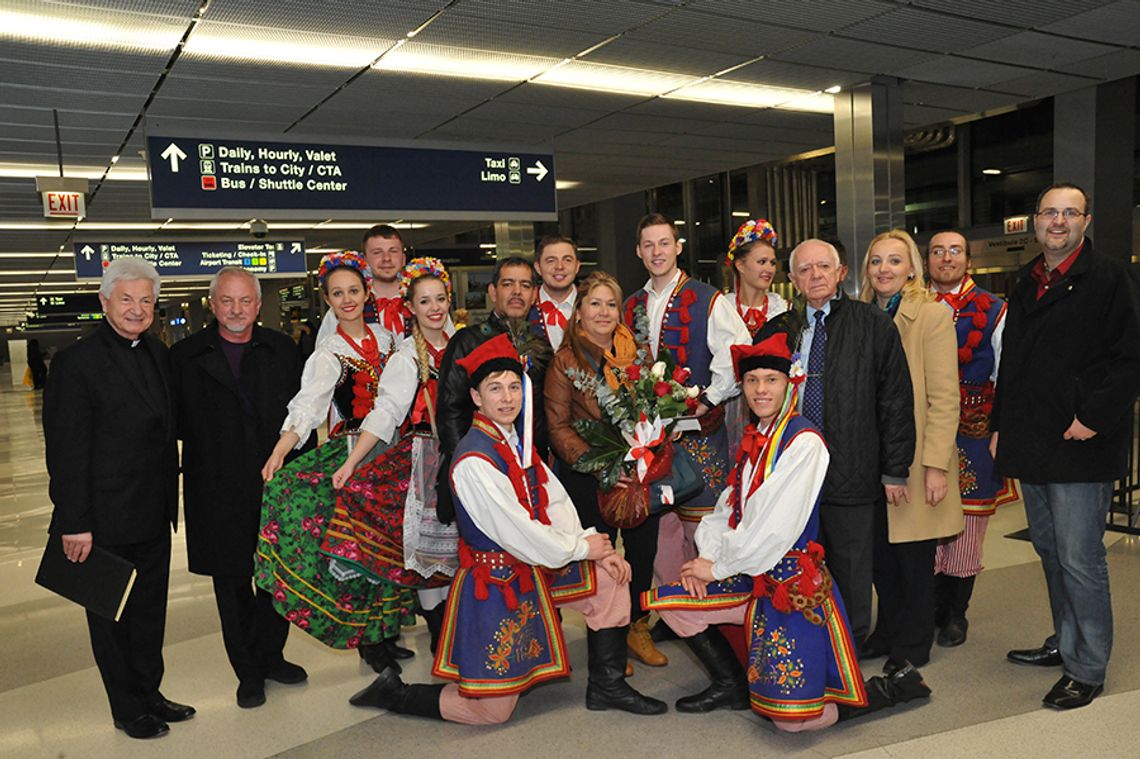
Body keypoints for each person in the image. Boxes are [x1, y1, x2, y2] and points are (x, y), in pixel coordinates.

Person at [348, 334, 667, 722]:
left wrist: (590, 542)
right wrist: (584, 549)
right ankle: (395, 693)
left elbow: (552, 497)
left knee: (610, 576)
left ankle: (607, 686)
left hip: (535, 564)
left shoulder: (514, 440)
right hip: (499, 580)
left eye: (514, 386)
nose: (507, 397)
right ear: (477, 397)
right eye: (495, 388)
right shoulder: (473, 460)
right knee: (492, 713)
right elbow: (519, 532)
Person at [643, 332, 869, 731]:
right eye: (752, 381)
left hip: (786, 582)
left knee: (791, 726)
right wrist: (707, 557)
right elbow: (728, 507)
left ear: (790, 383)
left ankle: (882, 694)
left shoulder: (804, 443)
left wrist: (715, 568)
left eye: (771, 379)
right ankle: (732, 684)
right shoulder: (757, 438)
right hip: (748, 572)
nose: (761, 389)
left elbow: (772, 531)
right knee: (671, 600)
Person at [992, 182, 1140, 710]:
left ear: (1086, 220)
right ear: (1035, 221)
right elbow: (1011, 361)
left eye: (1069, 213)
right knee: (1050, 549)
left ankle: (1088, 666)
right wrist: (998, 424)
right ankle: (1067, 640)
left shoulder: (1111, 279)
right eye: (1049, 213)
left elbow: (1131, 361)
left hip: (1081, 441)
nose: (1058, 221)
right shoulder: (1026, 280)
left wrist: (1092, 418)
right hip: (1032, 439)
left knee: (1080, 558)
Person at [43, 257, 193, 740]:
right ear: (104, 301)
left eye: (146, 300)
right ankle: (126, 708)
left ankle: (150, 693)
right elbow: (66, 450)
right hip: (102, 519)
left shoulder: (157, 352)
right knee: (111, 617)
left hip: (153, 512)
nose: (137, 309)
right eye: (126, 299)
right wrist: (74, 521)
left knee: (150, 613)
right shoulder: (75, 362)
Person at [256, 251, 415, 673]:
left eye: (353, 291)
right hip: (356, 457)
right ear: (326, 299)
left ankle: (386, 631)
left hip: (395, 456)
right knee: (361, 548)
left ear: (367, 294)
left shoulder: (391, 340)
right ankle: (370, 642)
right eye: (337, 293)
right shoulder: (328, 353)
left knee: (392, 547)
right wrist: (280, 449)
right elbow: (310, 406)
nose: (347, 300)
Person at [757, 239, 914, 650]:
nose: (816, 276)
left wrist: (895, 469)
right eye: (805, 270)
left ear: (842, 271)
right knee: (793, 564)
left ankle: (851, 653)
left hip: (854, 469)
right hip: (791, 475)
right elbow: (757, 400)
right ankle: (808, 651)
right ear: (791, 280)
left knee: (852, 570)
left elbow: (896, 402)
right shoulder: (777, 331)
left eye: (823, 267)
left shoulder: (873, 325)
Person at [169, 267, 311, 709]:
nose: (236, 310)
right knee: (231, 583)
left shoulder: (281, 351)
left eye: (245, 301)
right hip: (216, 488)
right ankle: (247, 672)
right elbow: (169, 424)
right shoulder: (185, 357)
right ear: (213, 304)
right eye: (227, 301)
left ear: (257, 304)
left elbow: (301, 420)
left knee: (277, 577)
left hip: (276, 484)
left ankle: (271, 655)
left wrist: (304, 483)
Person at [327, 257, 459, 654]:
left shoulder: (460, 347)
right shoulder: (405, 358)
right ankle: (441, 638)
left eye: (440, 299)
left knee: (459, 550)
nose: (434, 308)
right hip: (427, 459)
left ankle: (457, 631)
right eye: (424, 302)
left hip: (466, 457)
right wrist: (351, 462)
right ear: (410, 308)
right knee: (431, 554)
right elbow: (384, 414)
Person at [624, 212, 751, 605]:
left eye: (664, 243)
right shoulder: (632, 306)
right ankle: (675, 612)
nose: (657, 251)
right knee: (659, 537)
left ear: (678, 247)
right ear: (639, 253)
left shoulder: (707, 297)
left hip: (700, 438)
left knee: (705, 533)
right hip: (649, 444)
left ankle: (714, 616)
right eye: (649, 245)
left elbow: (738, 352)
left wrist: (709, 399)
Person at [545, 271, 667, 671]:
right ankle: (609, 639)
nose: (603, 311)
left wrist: (647, 448)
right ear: (578, 312)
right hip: (589, 478)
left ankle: (637, 626)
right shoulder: (565, 361)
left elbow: (653, 409)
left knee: (643, 551)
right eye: (594, 303)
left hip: (638, 473)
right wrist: (603, 465)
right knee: (602, 560)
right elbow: (558, 427)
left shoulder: (638, 356)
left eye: (610, 304)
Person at [859, 230, 962, 674]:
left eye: (894, 261)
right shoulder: (861, 316)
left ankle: (914, 643)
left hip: (918, 459)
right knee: (881, 556)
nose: (884, 269)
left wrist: (935, 465)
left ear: (912, 269)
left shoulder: (933, 316)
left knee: (913, 558)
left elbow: (945, 396)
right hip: (872, 460)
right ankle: (887, 631)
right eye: (876, 261)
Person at [926, 229, 1015, 648]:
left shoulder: (994, 309)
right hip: (920, 427)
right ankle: (926, 606)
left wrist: (1000, 430)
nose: (946, 258)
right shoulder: (908, 305)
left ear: (968, 259)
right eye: (938, 251)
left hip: (974, 430)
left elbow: (1008, 375)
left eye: (955, 251)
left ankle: (955, 613)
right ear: (926, 260)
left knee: (969, 521)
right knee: (921, 516)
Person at [436, 256, 551, 521]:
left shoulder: (541, 347)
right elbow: (449, 410)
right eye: (508, 284)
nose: (516, 292)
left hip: (530, 468)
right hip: (482, 466)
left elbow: (545, 412)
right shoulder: (468, 340)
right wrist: (467, 468)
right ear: (492, 291)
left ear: (534, 294)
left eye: (525, 285)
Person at [315, 224, 409, 345]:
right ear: (364, 260)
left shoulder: (422, 300)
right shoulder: (342, 309)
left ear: (403, 258)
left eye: (393, 251)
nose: (386, 258)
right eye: (377, 252)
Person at [528, 234, 581, 351]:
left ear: (577, 266)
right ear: (538, 267)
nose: (559, 266)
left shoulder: (593, 304)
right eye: (551, 261)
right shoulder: (525, 307)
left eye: (567, 260)